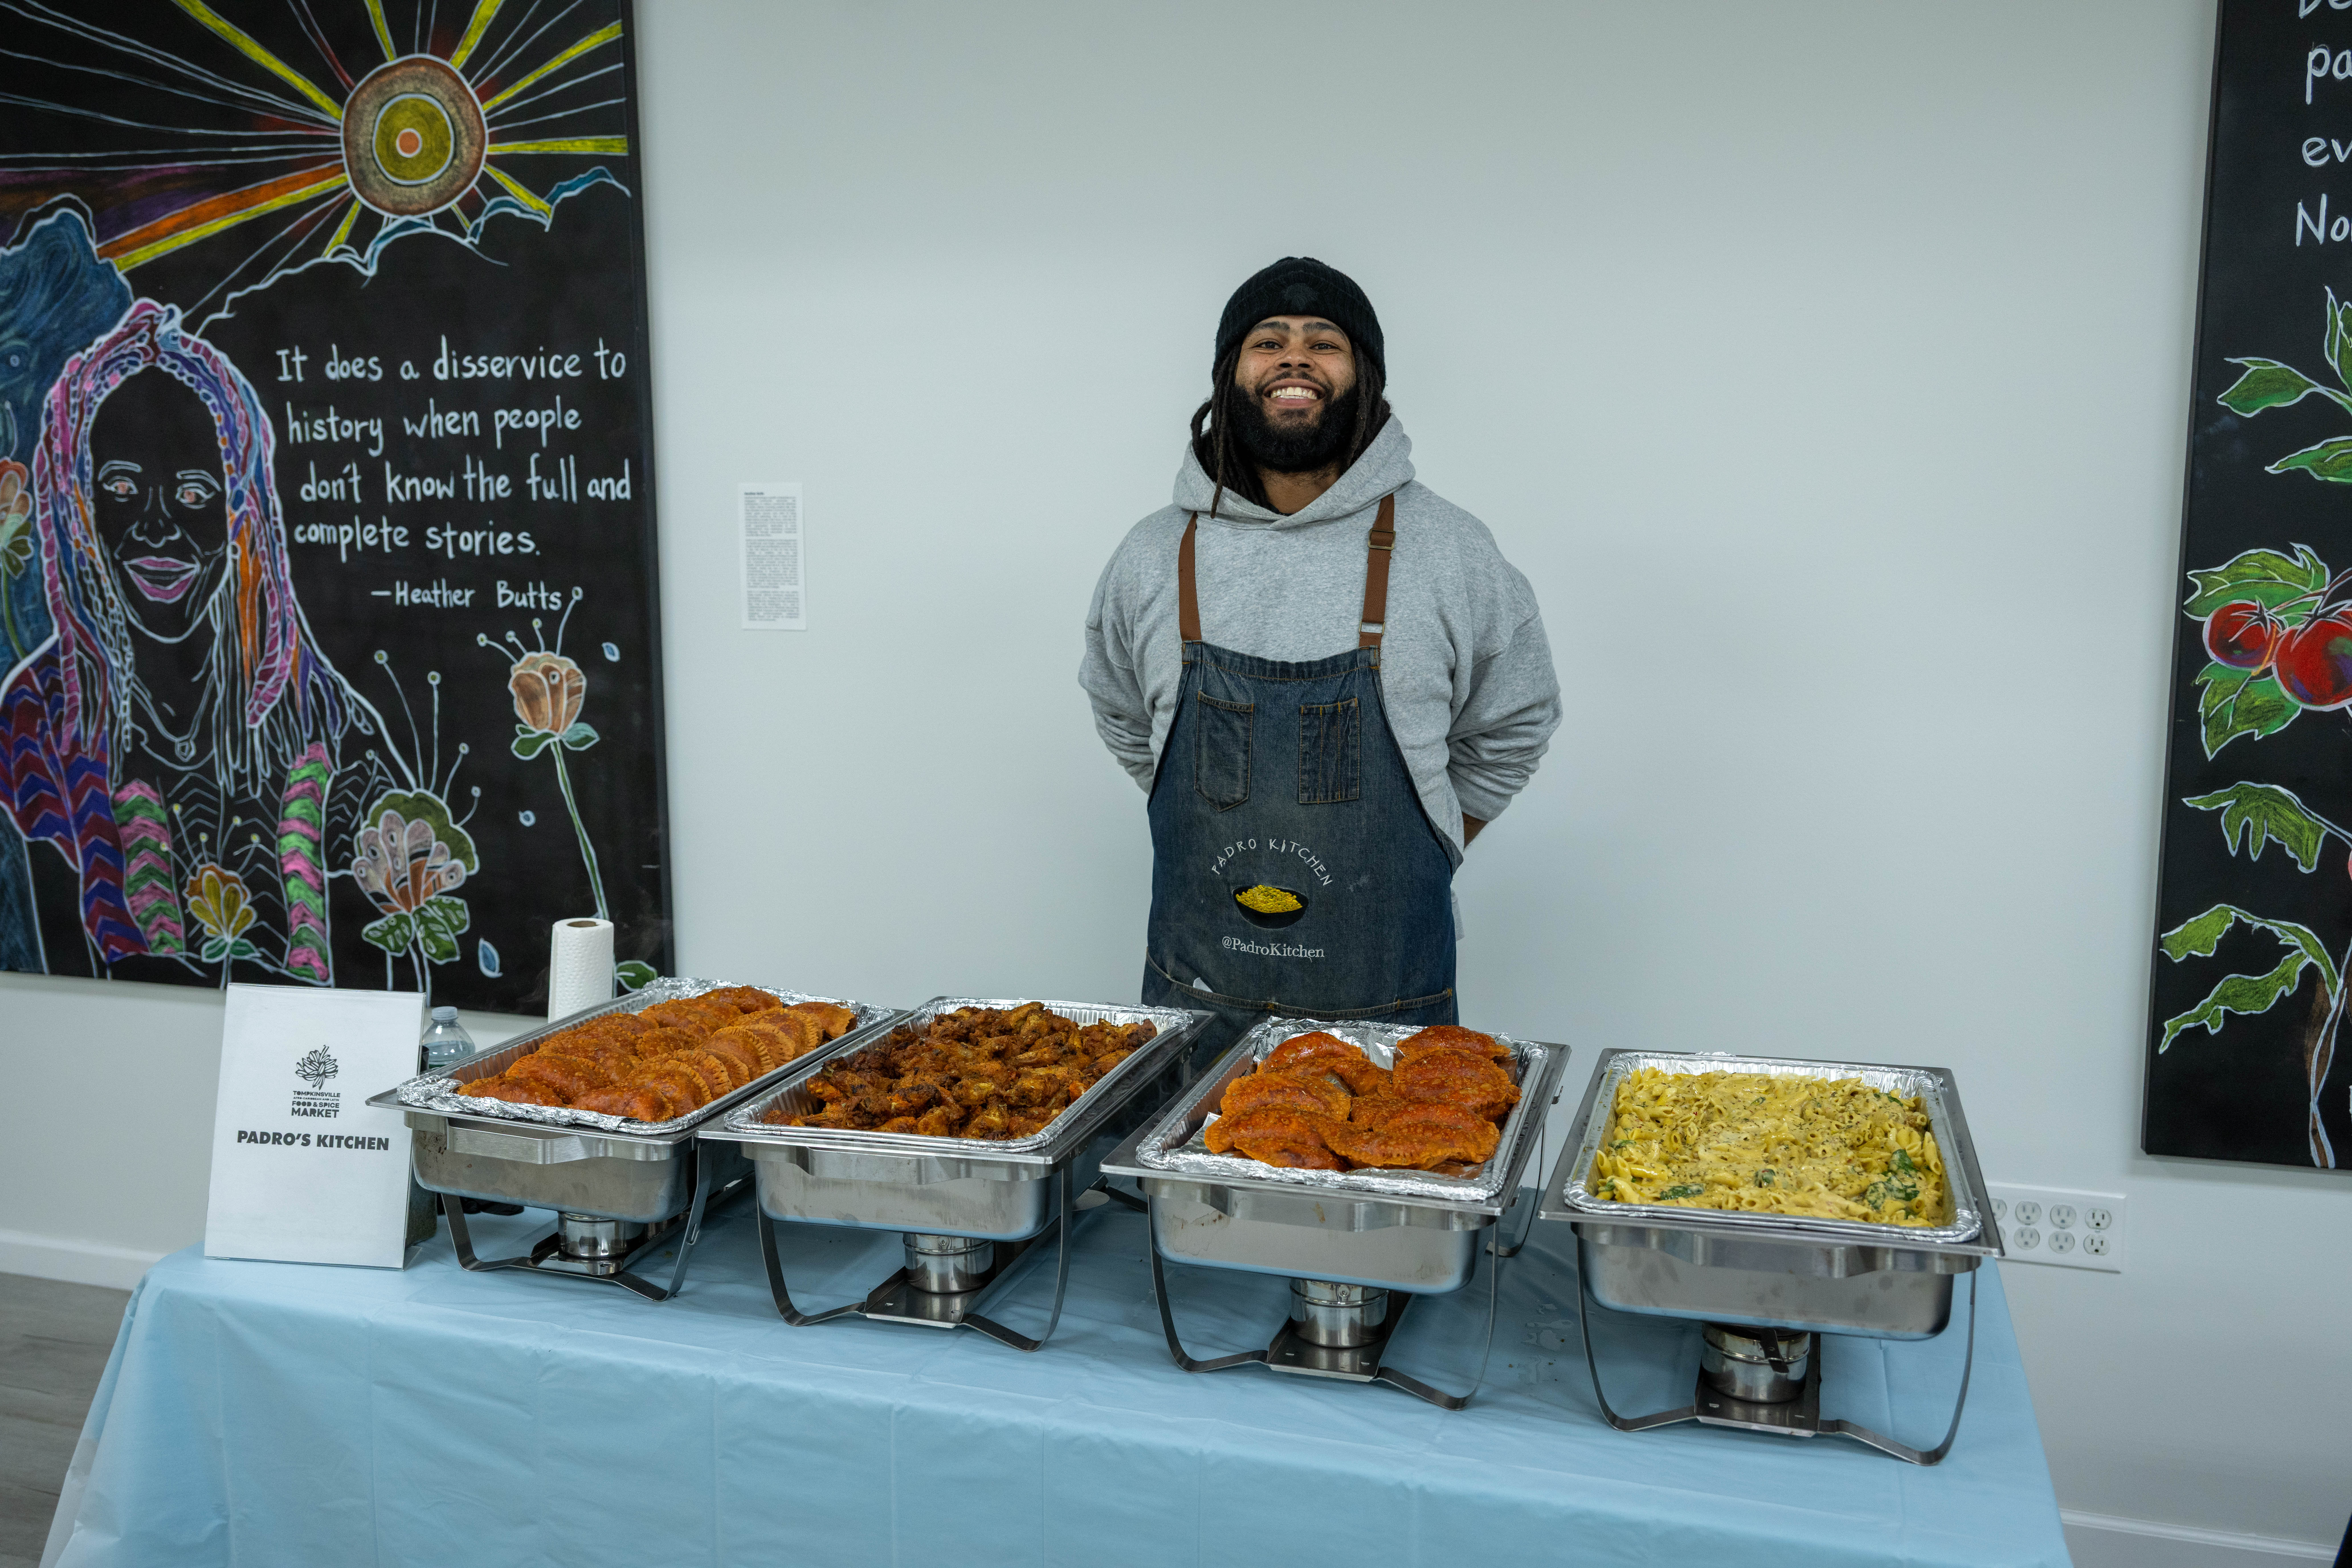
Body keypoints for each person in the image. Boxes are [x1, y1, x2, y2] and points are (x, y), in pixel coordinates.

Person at [1081, 256, 1562, 1061]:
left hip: (1390, 1022)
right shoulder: (1152, 555)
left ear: (1364, 377)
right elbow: (1127, 718)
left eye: (1324, 342)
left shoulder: (1452, 550)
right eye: (1268, 341)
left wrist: (1434, 835)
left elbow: (1516, 724)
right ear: (1231, 377)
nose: (1295, 358)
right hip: (1197, 1018)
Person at [0, 301, 399, 981]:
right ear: (80, 503)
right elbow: (49, 986)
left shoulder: (319, 715)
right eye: (123, 488)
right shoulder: (40, 724)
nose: (157, 529)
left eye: (192, 493)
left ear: (239, 509)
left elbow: (392, 967)